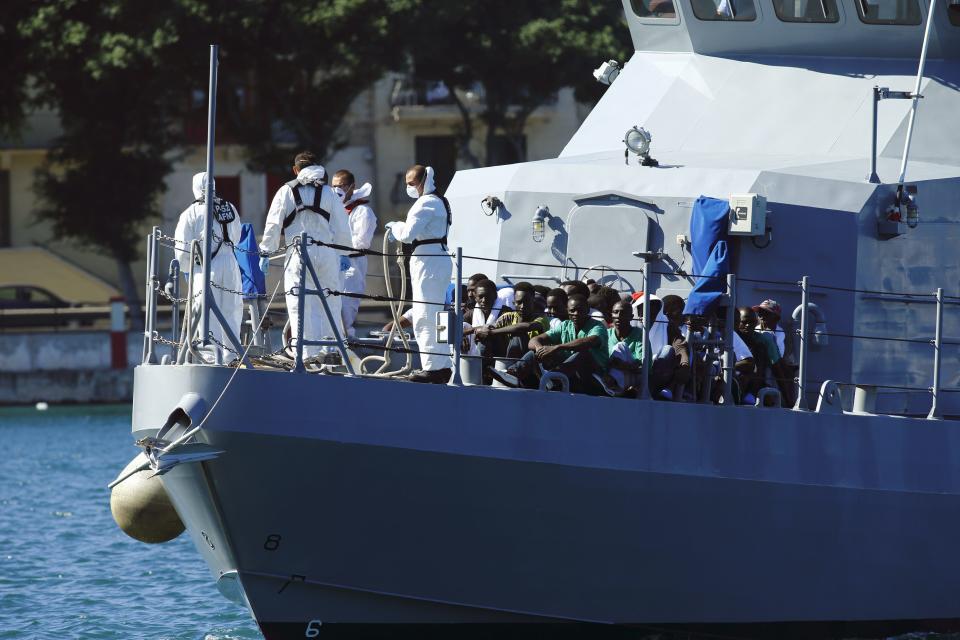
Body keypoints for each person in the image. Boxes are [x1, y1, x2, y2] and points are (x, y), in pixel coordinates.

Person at [259, 151, 353, 360]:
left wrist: (266, 251)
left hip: (299, 254)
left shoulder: (286, 191)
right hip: (327, 253)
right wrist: (344, 253)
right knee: (330, 301)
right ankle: (332, 349)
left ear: (295, 170)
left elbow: (273, 224)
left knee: (300, 303)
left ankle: (306, 355)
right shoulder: (328, 192)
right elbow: (342, 226)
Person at [384, 165, 453, 383]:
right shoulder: (440, 201)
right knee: (435, 314)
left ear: (425, 180)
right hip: (435, 258)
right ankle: (441, 366)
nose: (409, 187)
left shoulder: (426, 203)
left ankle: (432, 368)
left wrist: (395, 226)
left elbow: (406, 234)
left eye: (412, 183)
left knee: (424, 315)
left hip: (429, 260)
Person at [174, 172, 244, 364]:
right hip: (230, 264)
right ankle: (231, 355)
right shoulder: (229, 207)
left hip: (204, 267)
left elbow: (181, 251)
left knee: (206, 312)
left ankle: (212, 356)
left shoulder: (190, 213)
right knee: (232, 309)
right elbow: (236, 237)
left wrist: (188, 268)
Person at [490, 294, 608, 395]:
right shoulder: (565, 325)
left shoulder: (597, 326)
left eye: (580, 310)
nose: (576, 313)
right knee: (534, 353)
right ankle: (513, 374)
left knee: (583, 355)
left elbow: (590, 341)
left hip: (594, 377)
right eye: (572, 310)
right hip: (570, 375)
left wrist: (557, 347)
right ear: (567, 310)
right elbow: (535, 340)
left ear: (587, 310)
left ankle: (552, 378)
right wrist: (540, 349)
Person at [331, 169, 377, 338]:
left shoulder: (363, 212)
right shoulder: (334, 210)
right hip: (332, 262)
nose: (338, 190)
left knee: (346, 307)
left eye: (342, 186)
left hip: (352, 265)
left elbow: (361, 243)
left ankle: (347, 343)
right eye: (334, 186)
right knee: (329, 306)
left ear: (351, 187)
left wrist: (337, 247)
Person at [474, 282, 550, 361]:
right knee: (484, 336)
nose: (522, 306)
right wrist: (481, 331)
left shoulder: (541, 318)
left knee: (518, 335)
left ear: (533, 301)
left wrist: (492, 332)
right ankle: (481, 368)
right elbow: (490, 328)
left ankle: (512, 370)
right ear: (514, 302)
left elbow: (525, 327)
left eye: (526, 302)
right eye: (519, 302)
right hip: (504, 357)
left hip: (529, 361)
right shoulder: (508, 317)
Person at [603, 300, 645, 395]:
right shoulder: (607, 334)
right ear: (611, 315)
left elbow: (641, 367)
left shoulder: (640, 334)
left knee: (620, 346)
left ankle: (613, 386)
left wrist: (622, 365)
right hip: (609, 375)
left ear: (631, 317)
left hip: (633, 377)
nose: (618, 316)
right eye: (615, 312)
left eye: (623, 313)